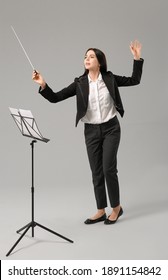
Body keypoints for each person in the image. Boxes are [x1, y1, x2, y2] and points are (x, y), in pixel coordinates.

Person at [32, 40, 144, 225]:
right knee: (96, 171)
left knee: (109, 168)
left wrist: (136, 58)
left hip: (111, 129)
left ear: (99, 62)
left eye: (91, 56)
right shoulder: (79, 83)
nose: (87, 59)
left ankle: (116, 208)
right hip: (91, 131)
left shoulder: (110, 78)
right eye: (85, 56)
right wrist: (43, 84)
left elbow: (135, 80)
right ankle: (101, 210)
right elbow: (56, 98)